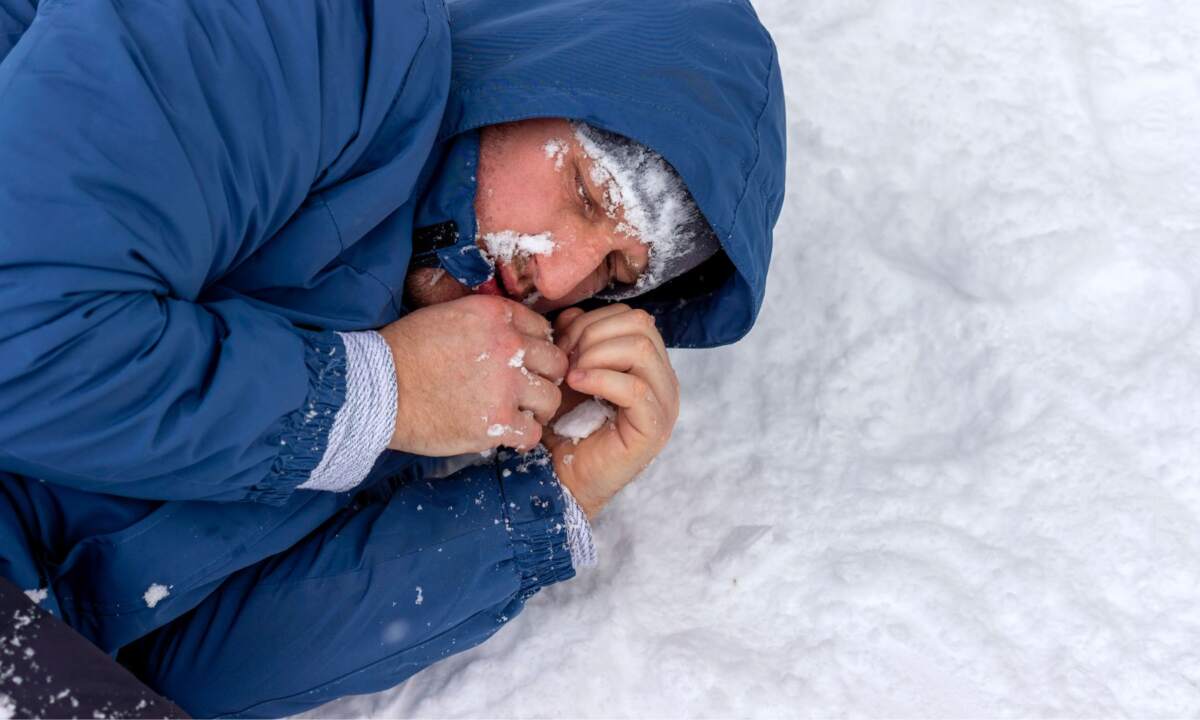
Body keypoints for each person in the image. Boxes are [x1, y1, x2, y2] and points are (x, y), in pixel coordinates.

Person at [0, 0, 785, 717]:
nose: (558, 274)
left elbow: (181, 668)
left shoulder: (432, 341)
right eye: (583, 191)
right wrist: (374, 395)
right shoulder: (319, 35)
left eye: (612, 274)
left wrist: (552, 492)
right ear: (533, 72)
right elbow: (18, 325)